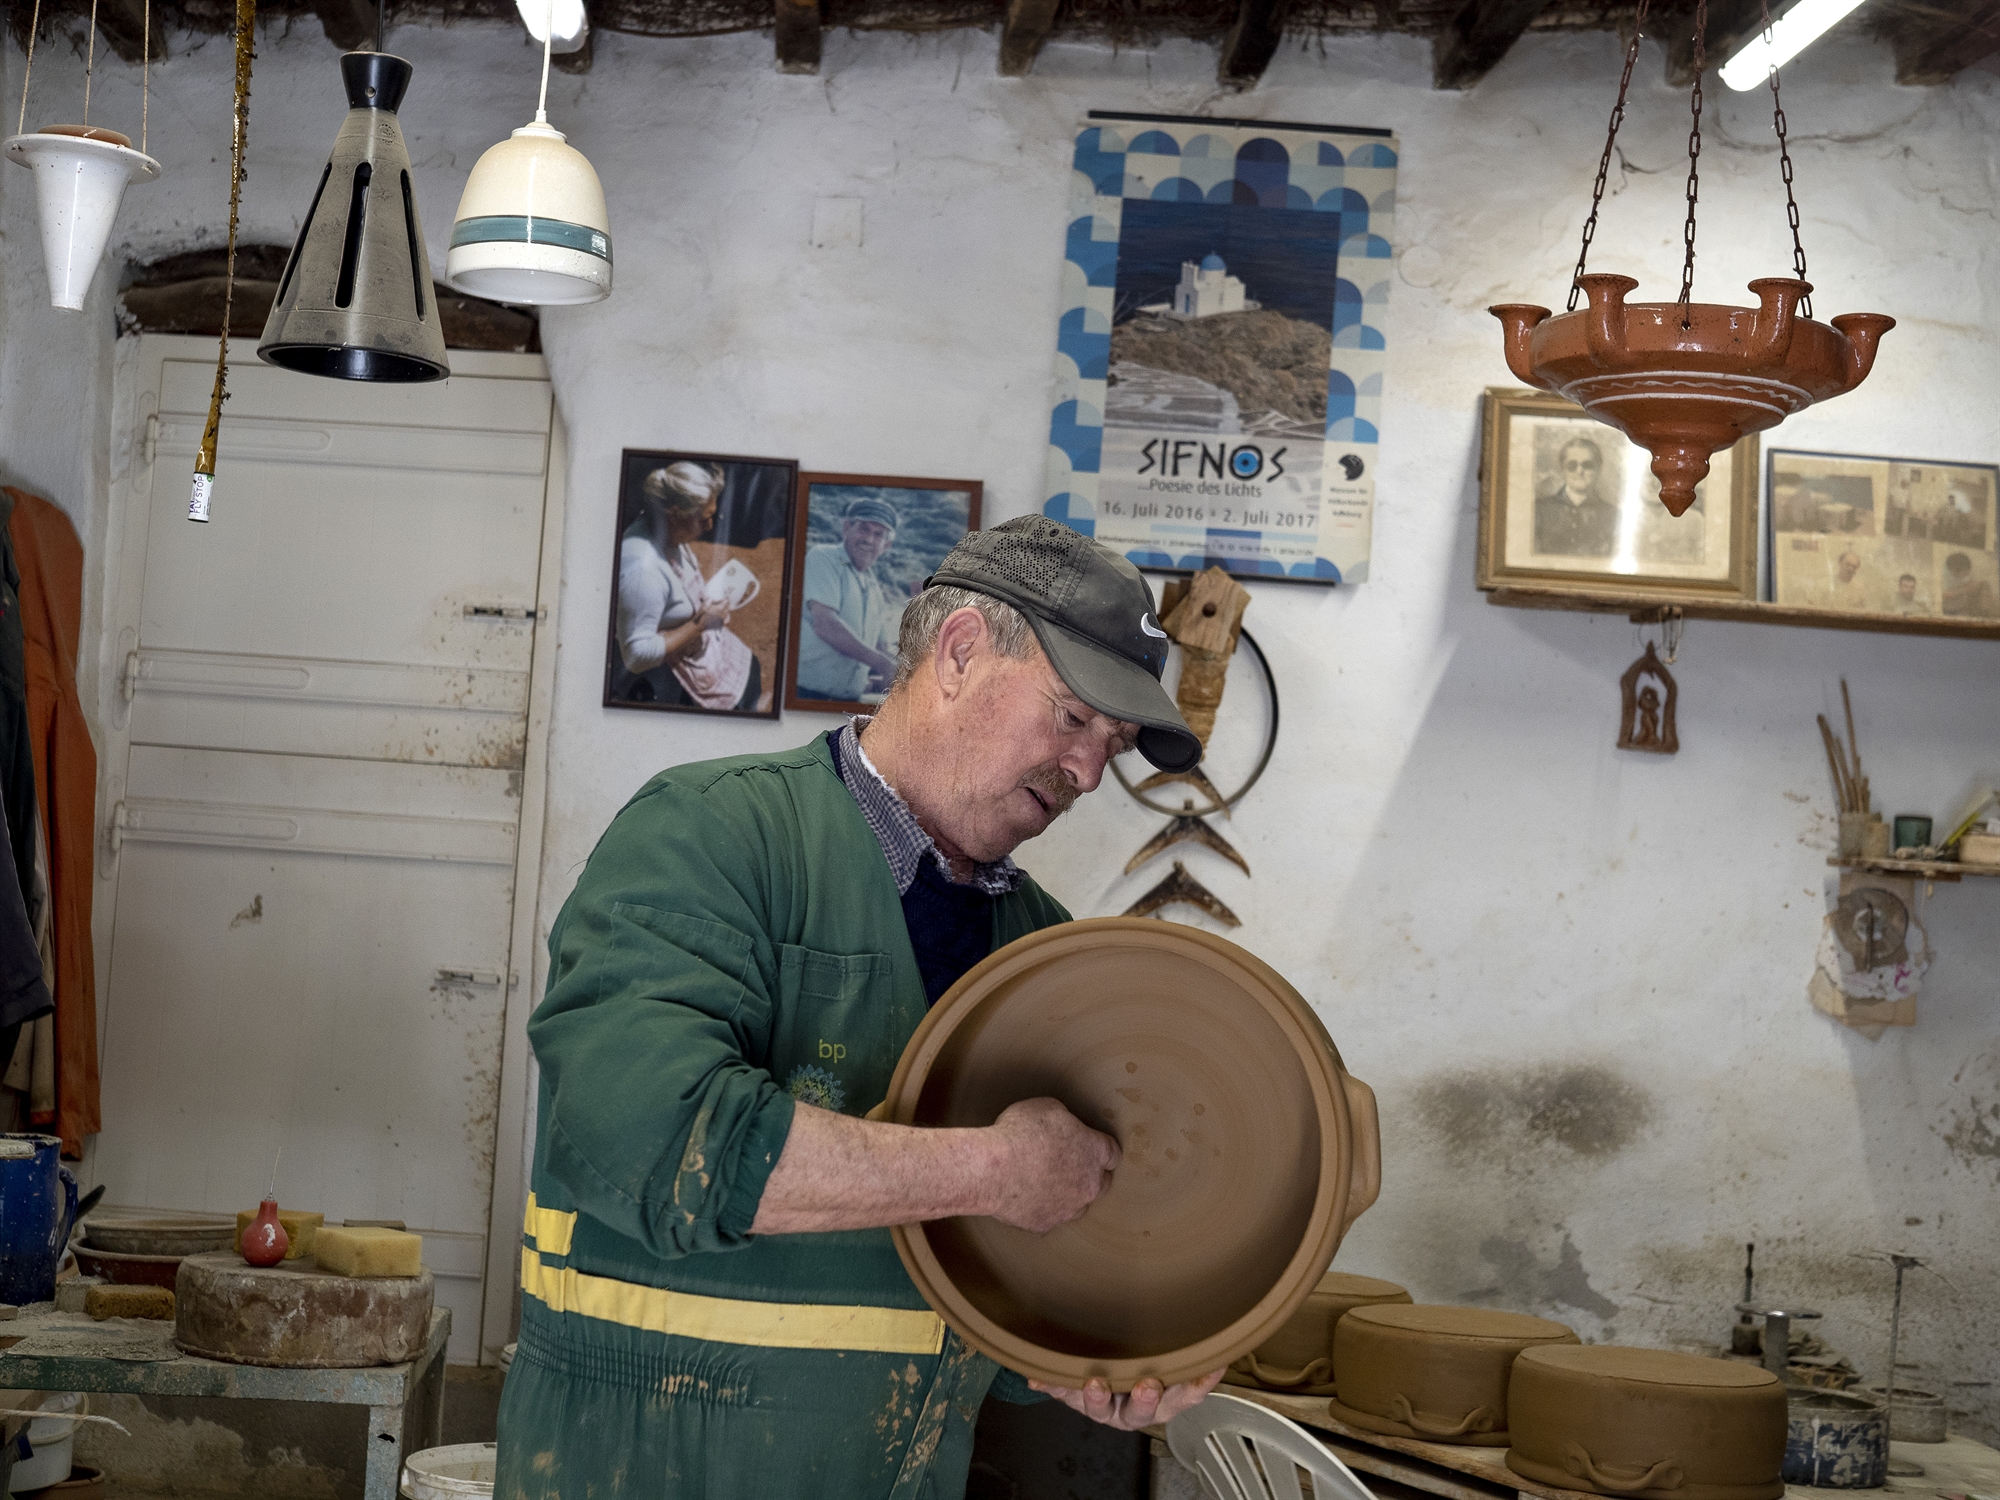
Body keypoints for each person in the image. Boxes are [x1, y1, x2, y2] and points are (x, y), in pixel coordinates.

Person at [497, 518, 1219, 1499]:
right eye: (1072, 718)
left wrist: (1074, 1363)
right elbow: (647, 1141)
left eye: (1115, 744)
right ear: (959, 652)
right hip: (646, 1468)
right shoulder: (711, 834)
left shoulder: (1040, 951)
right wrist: (995, 1168)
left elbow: (976, 1280)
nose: (1088, 772)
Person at [612, 463, 761, 711]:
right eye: (704, 518)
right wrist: (699, 626)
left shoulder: (667, 535)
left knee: (751, 670)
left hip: (701, 650)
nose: (711, 526)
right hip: (670, 676)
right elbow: (636, 656)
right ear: (675, 513)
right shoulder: (642, 571)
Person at [796, 496, 903, 701]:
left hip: (846, 700)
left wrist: (911, 672)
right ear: (846, 528)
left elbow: (881, 648)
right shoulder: (824, 558)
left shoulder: (874, 589)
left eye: (878, 534)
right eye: (863, 529)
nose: (869, 539)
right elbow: (825, 624)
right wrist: (883, 664)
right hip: (807, 693)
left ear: (886, 545)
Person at [1534, 436, 1618, 557]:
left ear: (1598, 469)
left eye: (1587, 465)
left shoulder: (1613, 515)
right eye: (1572, 465)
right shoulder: (1539, 510)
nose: (1579, 471)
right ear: (1562, 469)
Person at [1943, 550, 1997, 616]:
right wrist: (1962, 590)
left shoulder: (1980, 584)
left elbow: (1986, 606)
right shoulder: (1945, 583)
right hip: (1950, 616)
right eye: (1951, 570)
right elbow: (1942, 597)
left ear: (1968, 569)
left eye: (1959, 570)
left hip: (1971, 617)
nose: (1955, 574)